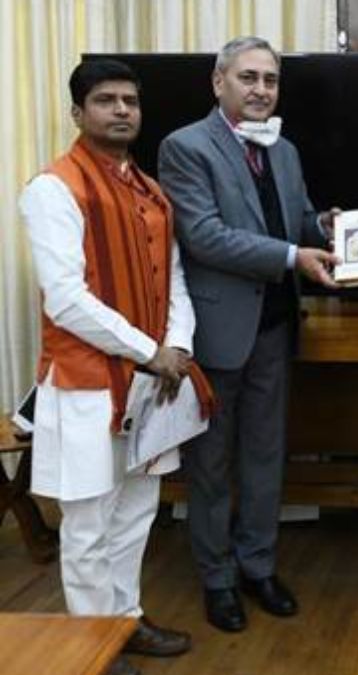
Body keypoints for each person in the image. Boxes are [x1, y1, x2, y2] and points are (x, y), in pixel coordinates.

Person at [20, 58, 215, 675]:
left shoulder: (150, 190)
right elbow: (67, 298)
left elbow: (175, 279)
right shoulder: (53, 188)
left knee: (136, 514)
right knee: (87, 523)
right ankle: (89, 647)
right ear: (78, 113)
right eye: (106, 100)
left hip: (151, 382)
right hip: (86, 383)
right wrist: (150, 351)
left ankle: (124, 621)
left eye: (130, 100)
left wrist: (177, 345)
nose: (122, 110)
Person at [157, 36, 339, 633]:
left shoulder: (282, 149)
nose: (261, 90)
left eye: (270, 79)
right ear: (219, 83)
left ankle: (258, 566)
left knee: (265, 458)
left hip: (275, 330)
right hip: (216, 335)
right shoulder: (184, 147)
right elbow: (204, 236)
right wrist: (293, 253)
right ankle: (218, 580)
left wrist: (326, 225)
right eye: (248, 78)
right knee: (210, 466)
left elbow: (296, 219)